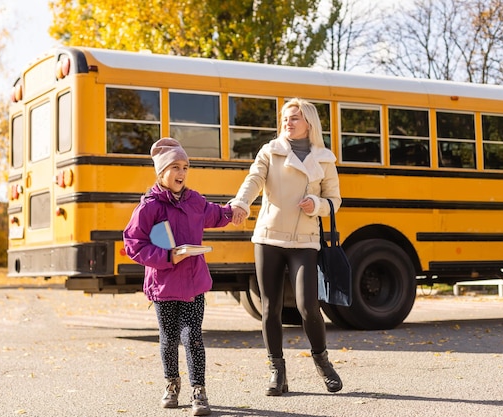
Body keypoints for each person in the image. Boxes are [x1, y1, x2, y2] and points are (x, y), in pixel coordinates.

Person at [230, 98, 343, 395]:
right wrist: (241, 204)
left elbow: (335, 201)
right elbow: (253, 179)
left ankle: (322, 362)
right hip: (269, 237)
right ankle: (276, 372)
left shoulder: (325, 159)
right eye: (284, 118)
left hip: (305, 241)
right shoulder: (271, 151)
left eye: (294, 118)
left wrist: (316, 204)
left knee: (308, 306)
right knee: (271, 308)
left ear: (308, 123)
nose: (287, 122)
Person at [123, 137, 237, 416]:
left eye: (185, 167)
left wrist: (235, 211)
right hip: (163, 285)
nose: (182, 173)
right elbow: (132, 244)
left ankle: (199, 391)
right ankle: (172, 385)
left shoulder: (195, 201)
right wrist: (167, 257)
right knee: (169, 337)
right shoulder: (149, 206)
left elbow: (217, 215)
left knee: (193, 336)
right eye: (175, 167)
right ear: (161, 172)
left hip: (194, 283)